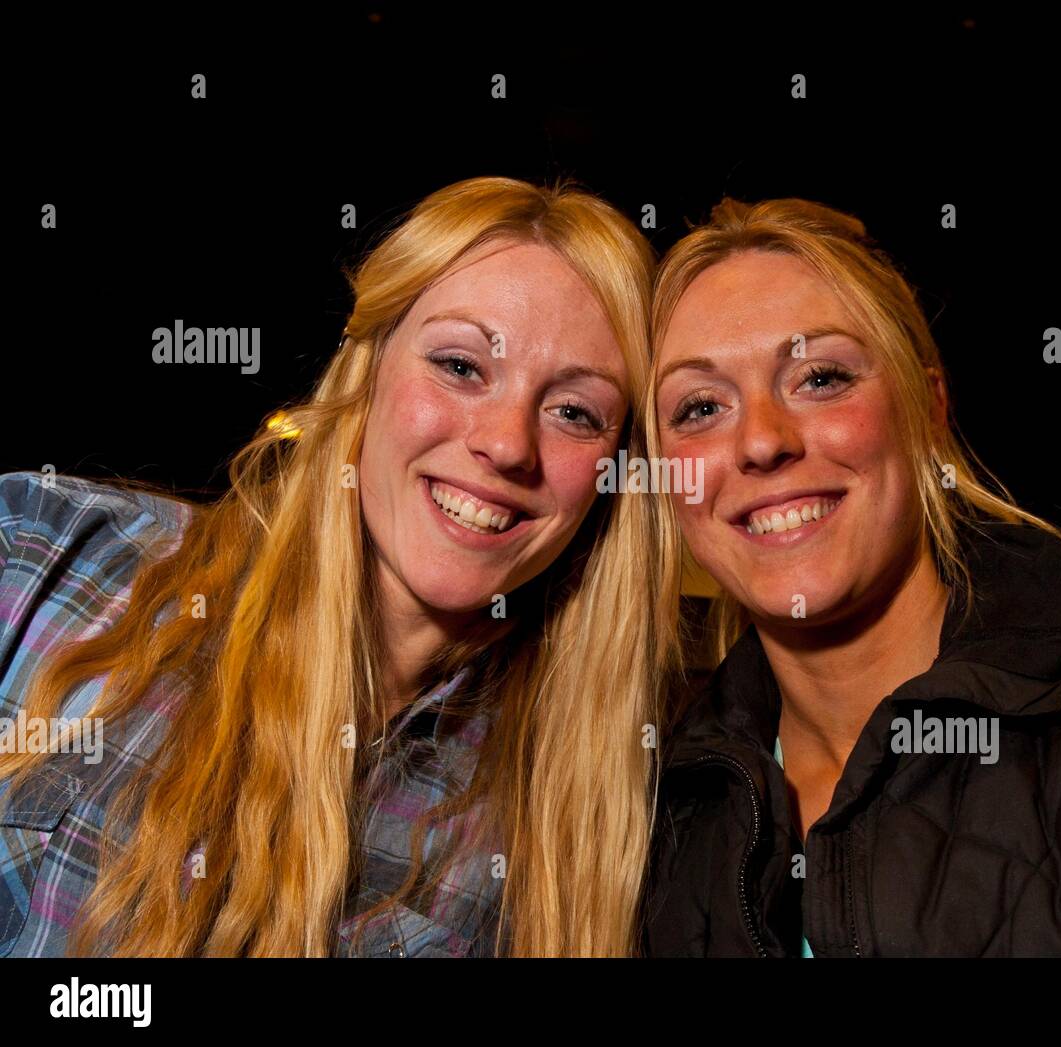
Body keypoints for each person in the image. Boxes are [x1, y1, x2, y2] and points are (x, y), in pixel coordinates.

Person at [0, 176, 664, 957]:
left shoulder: (576, 818)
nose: (509, 443)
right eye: (460, 366)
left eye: (575, 413)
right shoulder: (48, 552)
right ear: (368, 368)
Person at [640, 196, 1061, 957]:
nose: (761, 440)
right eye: (698, 407)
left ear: (928, 404)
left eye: (819, 377)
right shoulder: (663, 812)